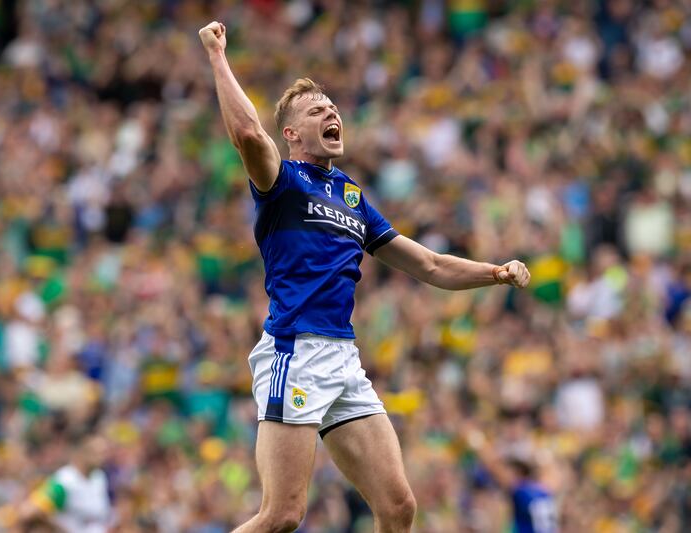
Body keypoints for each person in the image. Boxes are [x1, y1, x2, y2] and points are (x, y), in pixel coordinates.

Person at [198, 20, 531, 533]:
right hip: (295, 351)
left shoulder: (351, 196)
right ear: (291, 135)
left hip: (343, 357)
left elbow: (429, 264)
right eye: (316, 111)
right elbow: (247, 134)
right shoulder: (281, 182)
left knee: (398, 508)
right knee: (282, 515)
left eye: (332, 107)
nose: (331, 112)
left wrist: (495, 272)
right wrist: (218, 54)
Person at [463, 426, 559, 533]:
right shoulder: (542, 490)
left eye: (507, 468)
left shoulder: (521, 491)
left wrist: (476, 441)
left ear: (516, 472)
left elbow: (493, 467)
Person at [14, 435, 112, 533]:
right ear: (82, 453)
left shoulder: (99, 477)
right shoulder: (65, 481)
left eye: (104, 453)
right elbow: (28, 511)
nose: (102, 458)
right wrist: (57, 527)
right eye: (97, 453)